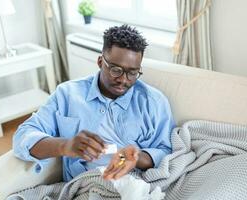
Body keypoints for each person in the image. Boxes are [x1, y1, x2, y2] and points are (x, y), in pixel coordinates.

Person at [13, 24, 176, 182]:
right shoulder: (68, 94)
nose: (123, 80)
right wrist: (66, 146)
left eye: (132, 73)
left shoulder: (154, 102)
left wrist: (136, 158)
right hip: (82, 185)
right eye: (115, 70)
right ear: (100, 62)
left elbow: (166, 151)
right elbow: (23, 136)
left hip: (135, 184)